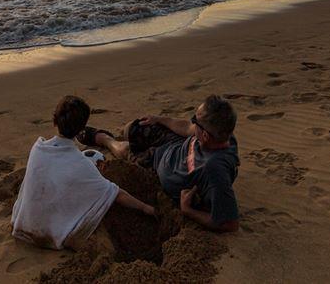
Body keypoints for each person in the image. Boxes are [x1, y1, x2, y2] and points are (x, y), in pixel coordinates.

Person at [11, 95, 155, 250]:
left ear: (54, 121)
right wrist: (145, 208)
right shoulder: (80, 164)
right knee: (94, 218)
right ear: (81, 129)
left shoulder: (38, 149)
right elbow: (115, 193)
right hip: (50, 234)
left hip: (23, 224)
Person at [81, 95, 241, 233]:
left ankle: (105, 139)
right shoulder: (220, 132)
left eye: (195, 120)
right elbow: (187, 128)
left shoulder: (214, 170)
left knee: (126, 151)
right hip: (174, 144)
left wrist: (188, 211)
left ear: (205, 135)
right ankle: (125, 136)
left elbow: (230, 223)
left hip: (156, 163)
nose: (193, 122)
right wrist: (159, 120)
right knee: (132, 128)